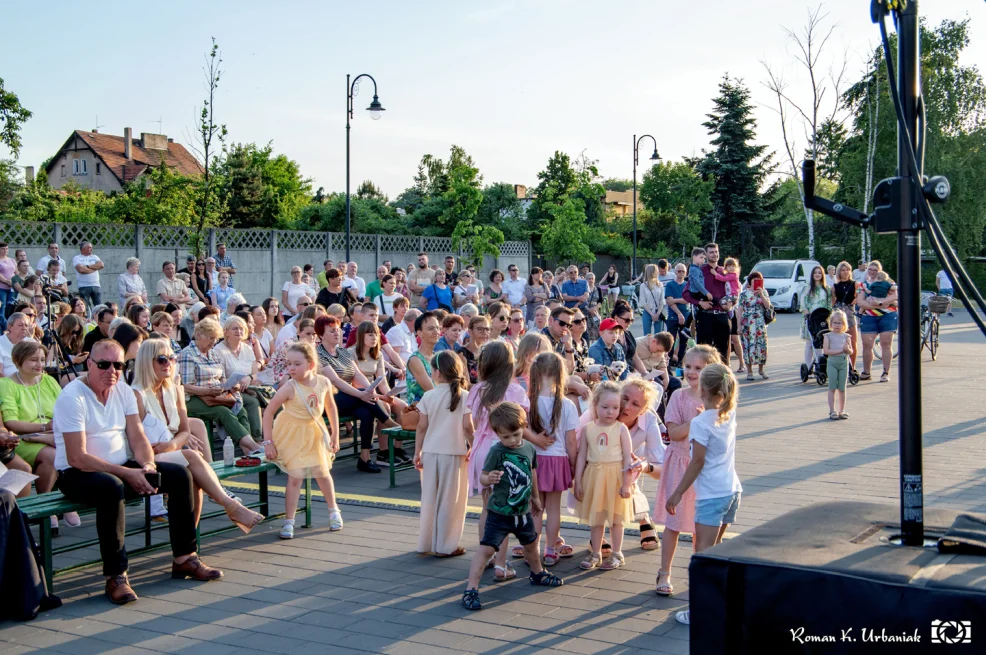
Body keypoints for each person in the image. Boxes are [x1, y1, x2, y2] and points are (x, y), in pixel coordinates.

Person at [54, 339, 222, 604]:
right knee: (112, 487)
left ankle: (185, 558)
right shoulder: (72, 397)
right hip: (77, 473)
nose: (112, 370)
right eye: (104, 364)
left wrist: (147, 466)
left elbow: (138, 437)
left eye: (118, 365)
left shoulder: (122, 391)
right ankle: (116, 576)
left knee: (179, 475)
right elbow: (77, 457)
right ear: (89, 365)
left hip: (118, 466)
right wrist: (126, 473)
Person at [131, 339, 259, 528]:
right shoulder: (137, 394)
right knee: (192, 457)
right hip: (145, 457)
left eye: (172, 358)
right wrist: (170, 446)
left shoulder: (174, 390)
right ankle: (230, 505)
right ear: (146, 362)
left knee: (194, 473)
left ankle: (190, 540)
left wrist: (171, 445)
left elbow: (184, 431)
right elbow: (139, 440)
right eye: (161, 359)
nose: (169, 363)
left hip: (169, 451)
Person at [461, 402, 562, 611]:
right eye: (505, 437)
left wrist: (535, 497)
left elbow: (532, 472)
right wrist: (490, 478)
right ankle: (471, 587)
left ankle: (537, 573)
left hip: (523, 511)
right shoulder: (497, 451)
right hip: (499, 512)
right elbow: (483, 476)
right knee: (487, 548)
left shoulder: (528, 447)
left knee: (531, 544)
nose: (512, 441)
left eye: (516, 434)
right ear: (497, 435)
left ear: (523, 428)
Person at [666, 363, 741, 626]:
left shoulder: (700, 423)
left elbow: (696, 462)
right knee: (717, 553)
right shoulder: (729, 412)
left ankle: (700, 611)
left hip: (711, 496)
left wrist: (676, 494)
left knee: (702, 557)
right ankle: (723, 600)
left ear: (704, 390)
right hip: (732, 491)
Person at [653, 344, 720, 597]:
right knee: (674, 522)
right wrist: (698, 420)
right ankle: (664, 571)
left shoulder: (716, 400)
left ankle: (698, 574)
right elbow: (673, 433)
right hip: (679, 464)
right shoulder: (680, 397)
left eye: (698, 368)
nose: (691, 372)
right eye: (688, 366)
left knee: (699, 524)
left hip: (703, 468)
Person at [262, 341, 341, 539]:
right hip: (292, 434)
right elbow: (269, 412)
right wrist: (268, 441)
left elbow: (331, 408)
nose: (291, 368)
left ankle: (334, 511)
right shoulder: (289, 387)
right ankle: (289, 520)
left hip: (314, 431)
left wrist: (335, 434)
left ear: (311, 365)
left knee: (322, 472)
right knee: (295, 476)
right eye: (289, 364)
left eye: (297, 364)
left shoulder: (323, 382)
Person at [0, 342, 82, 531]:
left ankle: (63, 498)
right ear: (18, 361)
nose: (40, 364)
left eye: (43, 360)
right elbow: (11, 422)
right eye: (34, 360)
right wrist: (44, 426)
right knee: (55, 454)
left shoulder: (48, 381)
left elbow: (65, 408)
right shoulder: (6, 384)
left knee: (70, 447)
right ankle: (47, 505)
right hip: (23, 438)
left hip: (50, 436)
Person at [465, 342, 529, 581]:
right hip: (506, 451)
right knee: (504, 510)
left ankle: (488, 553)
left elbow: (467, 424)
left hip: (482, 449)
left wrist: (476, 440)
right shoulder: (515, 391)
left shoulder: (477, 389)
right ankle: (502, 564)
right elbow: (522, 425)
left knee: (486, 507)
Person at [315, 315, 400, 471]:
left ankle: (365, 458)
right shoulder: (318, 354)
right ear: (321, 335)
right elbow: (335, 380)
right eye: (332, 331)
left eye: (338, 330)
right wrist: (362, 394)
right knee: (362, 395)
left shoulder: (343, 352)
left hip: (348, 398)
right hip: (327, 399)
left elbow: (357, 374)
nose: (337, 333)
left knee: (366, 413)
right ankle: (391, 425)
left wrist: (370, 392)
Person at [414, 351, 473, 557]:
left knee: (429, 498)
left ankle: (425, 543)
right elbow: (467, 427)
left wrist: (417, 452)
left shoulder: (428, 396)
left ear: (437, 372)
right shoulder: (465, 396)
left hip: (430, 451)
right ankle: (446, 545)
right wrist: (473, 447)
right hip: (455, 453)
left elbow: (421, 427)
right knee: (451, 501)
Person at [179, 319, 263, 456]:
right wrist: (208, 391)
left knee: (240, 409)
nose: (213, 342)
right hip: (193, 398)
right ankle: (253, 447)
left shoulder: (212, 353)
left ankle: (248, 451)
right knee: (223, 412)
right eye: (210, 338)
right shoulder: (187, 354)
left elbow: (221, 377)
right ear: (199, 335)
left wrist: (230, 385)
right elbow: (186, 386)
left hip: (215, 394)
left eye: (215, 338)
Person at [525, 352, 578, 566]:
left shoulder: (528, 402)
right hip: (558, 460)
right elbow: (572, 441)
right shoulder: (567, 405)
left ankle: (532, 549)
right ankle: (550, 550)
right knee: (554, 508)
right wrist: (573, 465)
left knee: (535, 508)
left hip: (534, 461)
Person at [574, 382, 634, 571]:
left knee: (616, 519)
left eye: (615, 408)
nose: (610, 412)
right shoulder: (588, 428)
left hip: (615, 476)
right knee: (596, 518)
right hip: (594, 477)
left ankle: (617, 553)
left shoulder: (621, 429)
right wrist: (578, 481)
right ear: (595, 406)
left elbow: (627, 457)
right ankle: (596, 553)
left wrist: (626, 484)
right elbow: (582, 455)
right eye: (605, 407)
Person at [739, 271, 772, 381]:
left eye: (759, 280)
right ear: (750, 281)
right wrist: (738, 326)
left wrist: (761, 295)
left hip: (759, 323)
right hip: (747, 323)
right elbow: (739, 310)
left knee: (761, 346)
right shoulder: (744, 294)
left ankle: (761, 369)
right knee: (748, 346)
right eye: (754, 280)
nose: (757, 282)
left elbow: (768, 306)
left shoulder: (764, 292)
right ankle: (749, 371)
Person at [800, 265, 834, 370]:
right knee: (810, 342)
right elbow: (803, 302)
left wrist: (829, 314)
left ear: (822, 275)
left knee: (821, 342)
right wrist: (806, 313)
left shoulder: (827, 288)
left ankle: (819, 365)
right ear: (812, 275)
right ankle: (808, 365)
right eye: (815, 273)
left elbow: (829, 303)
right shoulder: (807, 287)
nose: (817, 275)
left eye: (819, 273)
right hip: (810, 317)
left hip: (823, 318)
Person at [824, 310, 853, 420]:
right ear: (831, 324)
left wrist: (847, 349)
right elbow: (826, 351)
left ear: (844, 324)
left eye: (839, 323)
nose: (837, 325)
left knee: (842, 388)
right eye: (835, 323)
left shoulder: (846, 336)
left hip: (843, 363)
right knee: (832, 387)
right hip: (832, 362)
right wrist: (841, 350)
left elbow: (851, 351)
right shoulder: (827, 336)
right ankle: (832, 410)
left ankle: (842, 410)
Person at [407, 312, 440, 407]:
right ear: (420, 333)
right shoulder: (415, 360)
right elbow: (431, 390)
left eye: (437, 328)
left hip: (439, 404)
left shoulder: (437, 357)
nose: (436, 332)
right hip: (421, 411)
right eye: (430, 329)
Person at [832, 261, 859, 369]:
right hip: (838, 313)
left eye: (847, 269)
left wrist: (857, 299)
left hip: (850, 313)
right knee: (838, 341)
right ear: (839, 272)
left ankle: (852, 367)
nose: (845, 272)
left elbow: (861, 294)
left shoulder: (855, 284)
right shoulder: (835, 286)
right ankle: (840, 366)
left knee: (852, 342)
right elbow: (833, 301)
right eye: (843, 270)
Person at [0, 312, 36, 377]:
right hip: (7, 383)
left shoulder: (32, 343)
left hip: (29, 381)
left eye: (26, 325)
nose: (24, 328)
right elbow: (0, 372)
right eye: (20, 325)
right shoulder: (1, 342)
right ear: (10, 327)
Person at [456, 315, 490, 385]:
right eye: (480, 329)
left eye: (487, 329)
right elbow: (464, 384)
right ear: (470, 331)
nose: (484, 332)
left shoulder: (489, 352)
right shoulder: (461, 353)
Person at [72, 241, 104, 310]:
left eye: (91, 248)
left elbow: (101, 265)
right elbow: (81, 270)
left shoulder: (95, 257)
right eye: (89, 248)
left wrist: (87, 266)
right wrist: (95, 268)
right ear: (83, 249)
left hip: (96, 285)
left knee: (99, 306)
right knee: (85, 307)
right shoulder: (77, 258)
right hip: (83, 286)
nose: (91, 249)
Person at [638, 264, 665, 337]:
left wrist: (658, 313)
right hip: (647, 311)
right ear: (651, 272)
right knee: (647, 336)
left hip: (658, 311)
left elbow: (662, 301)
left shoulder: (660, 285)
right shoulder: (643, 286)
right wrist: (652, 314)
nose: (658, 272)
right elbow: (643, 301)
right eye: (656, 271)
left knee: (659, 335)